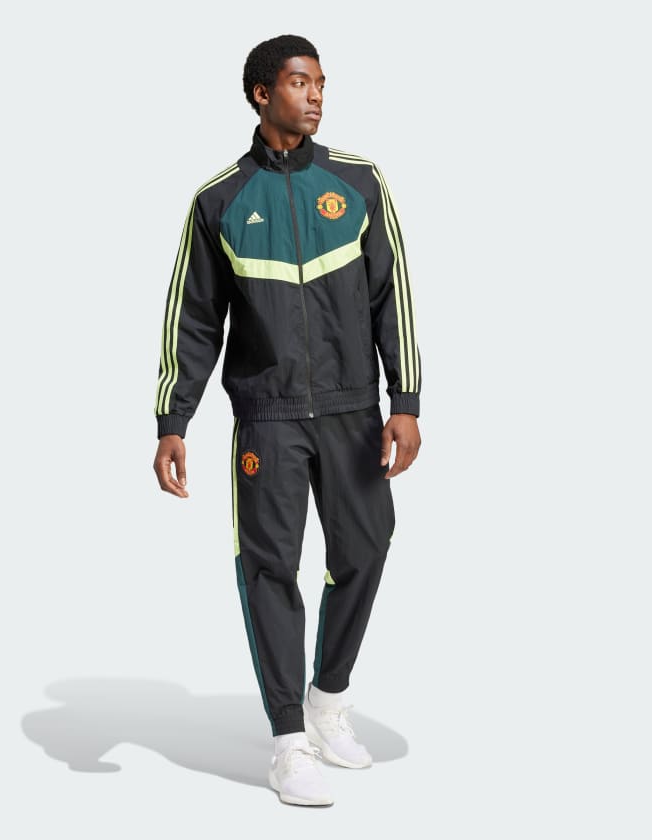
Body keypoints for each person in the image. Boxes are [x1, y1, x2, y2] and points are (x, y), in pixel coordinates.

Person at [152, 34, 422, 806]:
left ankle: (327, 699)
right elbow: (193, 318)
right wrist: (173, 419)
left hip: (350, 408)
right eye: (301, 83)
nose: (316, 96)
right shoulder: (220, 200)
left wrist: (404, 400)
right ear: (262, 93)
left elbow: (392, 295)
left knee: (366, 549)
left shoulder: (358, 182)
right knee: (269, 567)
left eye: (321, 83)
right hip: (266, 418)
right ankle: (286, 742)